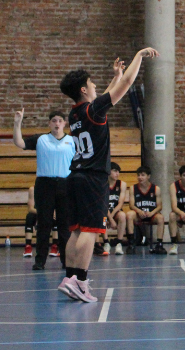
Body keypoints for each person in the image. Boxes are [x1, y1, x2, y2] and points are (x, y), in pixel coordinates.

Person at [57, 48, 158, 303]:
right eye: (91, 83)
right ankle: (80, 281)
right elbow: (126, 84)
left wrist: (115, 76)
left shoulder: (75, 113)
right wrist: (139, 56)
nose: (95, 86)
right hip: (93, 178)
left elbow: (103, 97)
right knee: (90, 231)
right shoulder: (93, 110)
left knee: (76, 231)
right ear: (83, 89)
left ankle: (70, 278)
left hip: (75, 176)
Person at [13, 109, 76, 270]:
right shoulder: (41, 139)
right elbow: (19, 143)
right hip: (44, 185)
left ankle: (66, 260)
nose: (57, 124)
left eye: (60, 121)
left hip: (65, 184)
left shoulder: (72, 141)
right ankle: (40, 260)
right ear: (49, 123)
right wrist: (17, 123)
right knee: (44, 224)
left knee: (64, 225)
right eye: (54, 121)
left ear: (64, 123)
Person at [127, 166, 166, 254]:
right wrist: (139, 211)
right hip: (139, 214)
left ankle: (159, 244)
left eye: (143, 175)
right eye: (138, 175)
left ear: (148, 176)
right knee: (129, 215)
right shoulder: (133, 188)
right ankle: (131, 243)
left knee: (160, 218)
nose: (140, 177)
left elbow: (159, 206)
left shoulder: (156, 189)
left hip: (151, 214)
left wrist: (152, 213)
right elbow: (131, 205)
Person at [23, 187, 60, 258]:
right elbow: (30, 209)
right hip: (38, 212)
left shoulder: (52, 188)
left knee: (56, 218)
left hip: (48, 213)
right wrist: (43, 213)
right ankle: (28, 246)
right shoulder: (33, 189)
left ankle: (55, 246)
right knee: (29, 217)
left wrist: (52, 213)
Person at [104, 162, 128, 255]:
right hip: (105, 211)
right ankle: (106, 243)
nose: (117, 174)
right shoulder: (103, 184)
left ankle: (119, 243)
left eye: (118, 172)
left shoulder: (122, 184)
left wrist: (112, 217)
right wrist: (110, 219)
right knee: (102, 218)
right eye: (115, 171)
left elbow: (120, 204)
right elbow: (103, 204)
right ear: (108, 171)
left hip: (115, 211)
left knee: (122, 215)